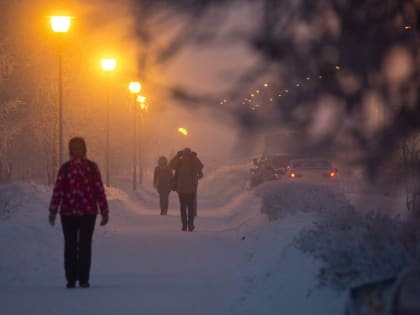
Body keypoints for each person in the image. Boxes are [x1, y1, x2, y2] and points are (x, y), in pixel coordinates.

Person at [48, 137, 109, 289]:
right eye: (74, 147)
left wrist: (104, 210)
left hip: (88, 213)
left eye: (79, 147)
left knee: (85, 246)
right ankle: (70, 278)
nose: (77, 150)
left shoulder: (92, 167)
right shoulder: (65, 168)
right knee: (70, 246)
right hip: (68, 213)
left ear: (84, 149)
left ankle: (83, 279)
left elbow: (99, 189)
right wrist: (53, 210)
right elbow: (58, 190)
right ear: (70, 149)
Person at [171, 148, 203, 231]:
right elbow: (200, 166)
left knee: (183, 208)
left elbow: (171, 165)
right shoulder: (193, 161)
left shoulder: (179, 161)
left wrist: (177, 156)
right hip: (191, 189)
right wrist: (195, 157)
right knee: (191, 208)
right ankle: (191, 224)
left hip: (181, 189)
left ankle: (184, 225)